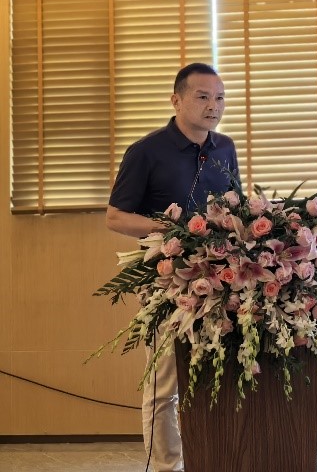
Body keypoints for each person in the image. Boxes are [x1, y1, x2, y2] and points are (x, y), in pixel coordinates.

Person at [106, 63, 239, 472]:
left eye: (220, 97)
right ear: (176, 101)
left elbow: (235, 209)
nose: (213, 106)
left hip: (220, 279)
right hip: (166, 280)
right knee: (165, 385)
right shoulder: (146, 151)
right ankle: (167, 467)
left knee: (219, 377)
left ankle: (215, 459)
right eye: (203, 97)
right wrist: (168, 229)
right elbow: (115, 217)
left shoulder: (224, 147)